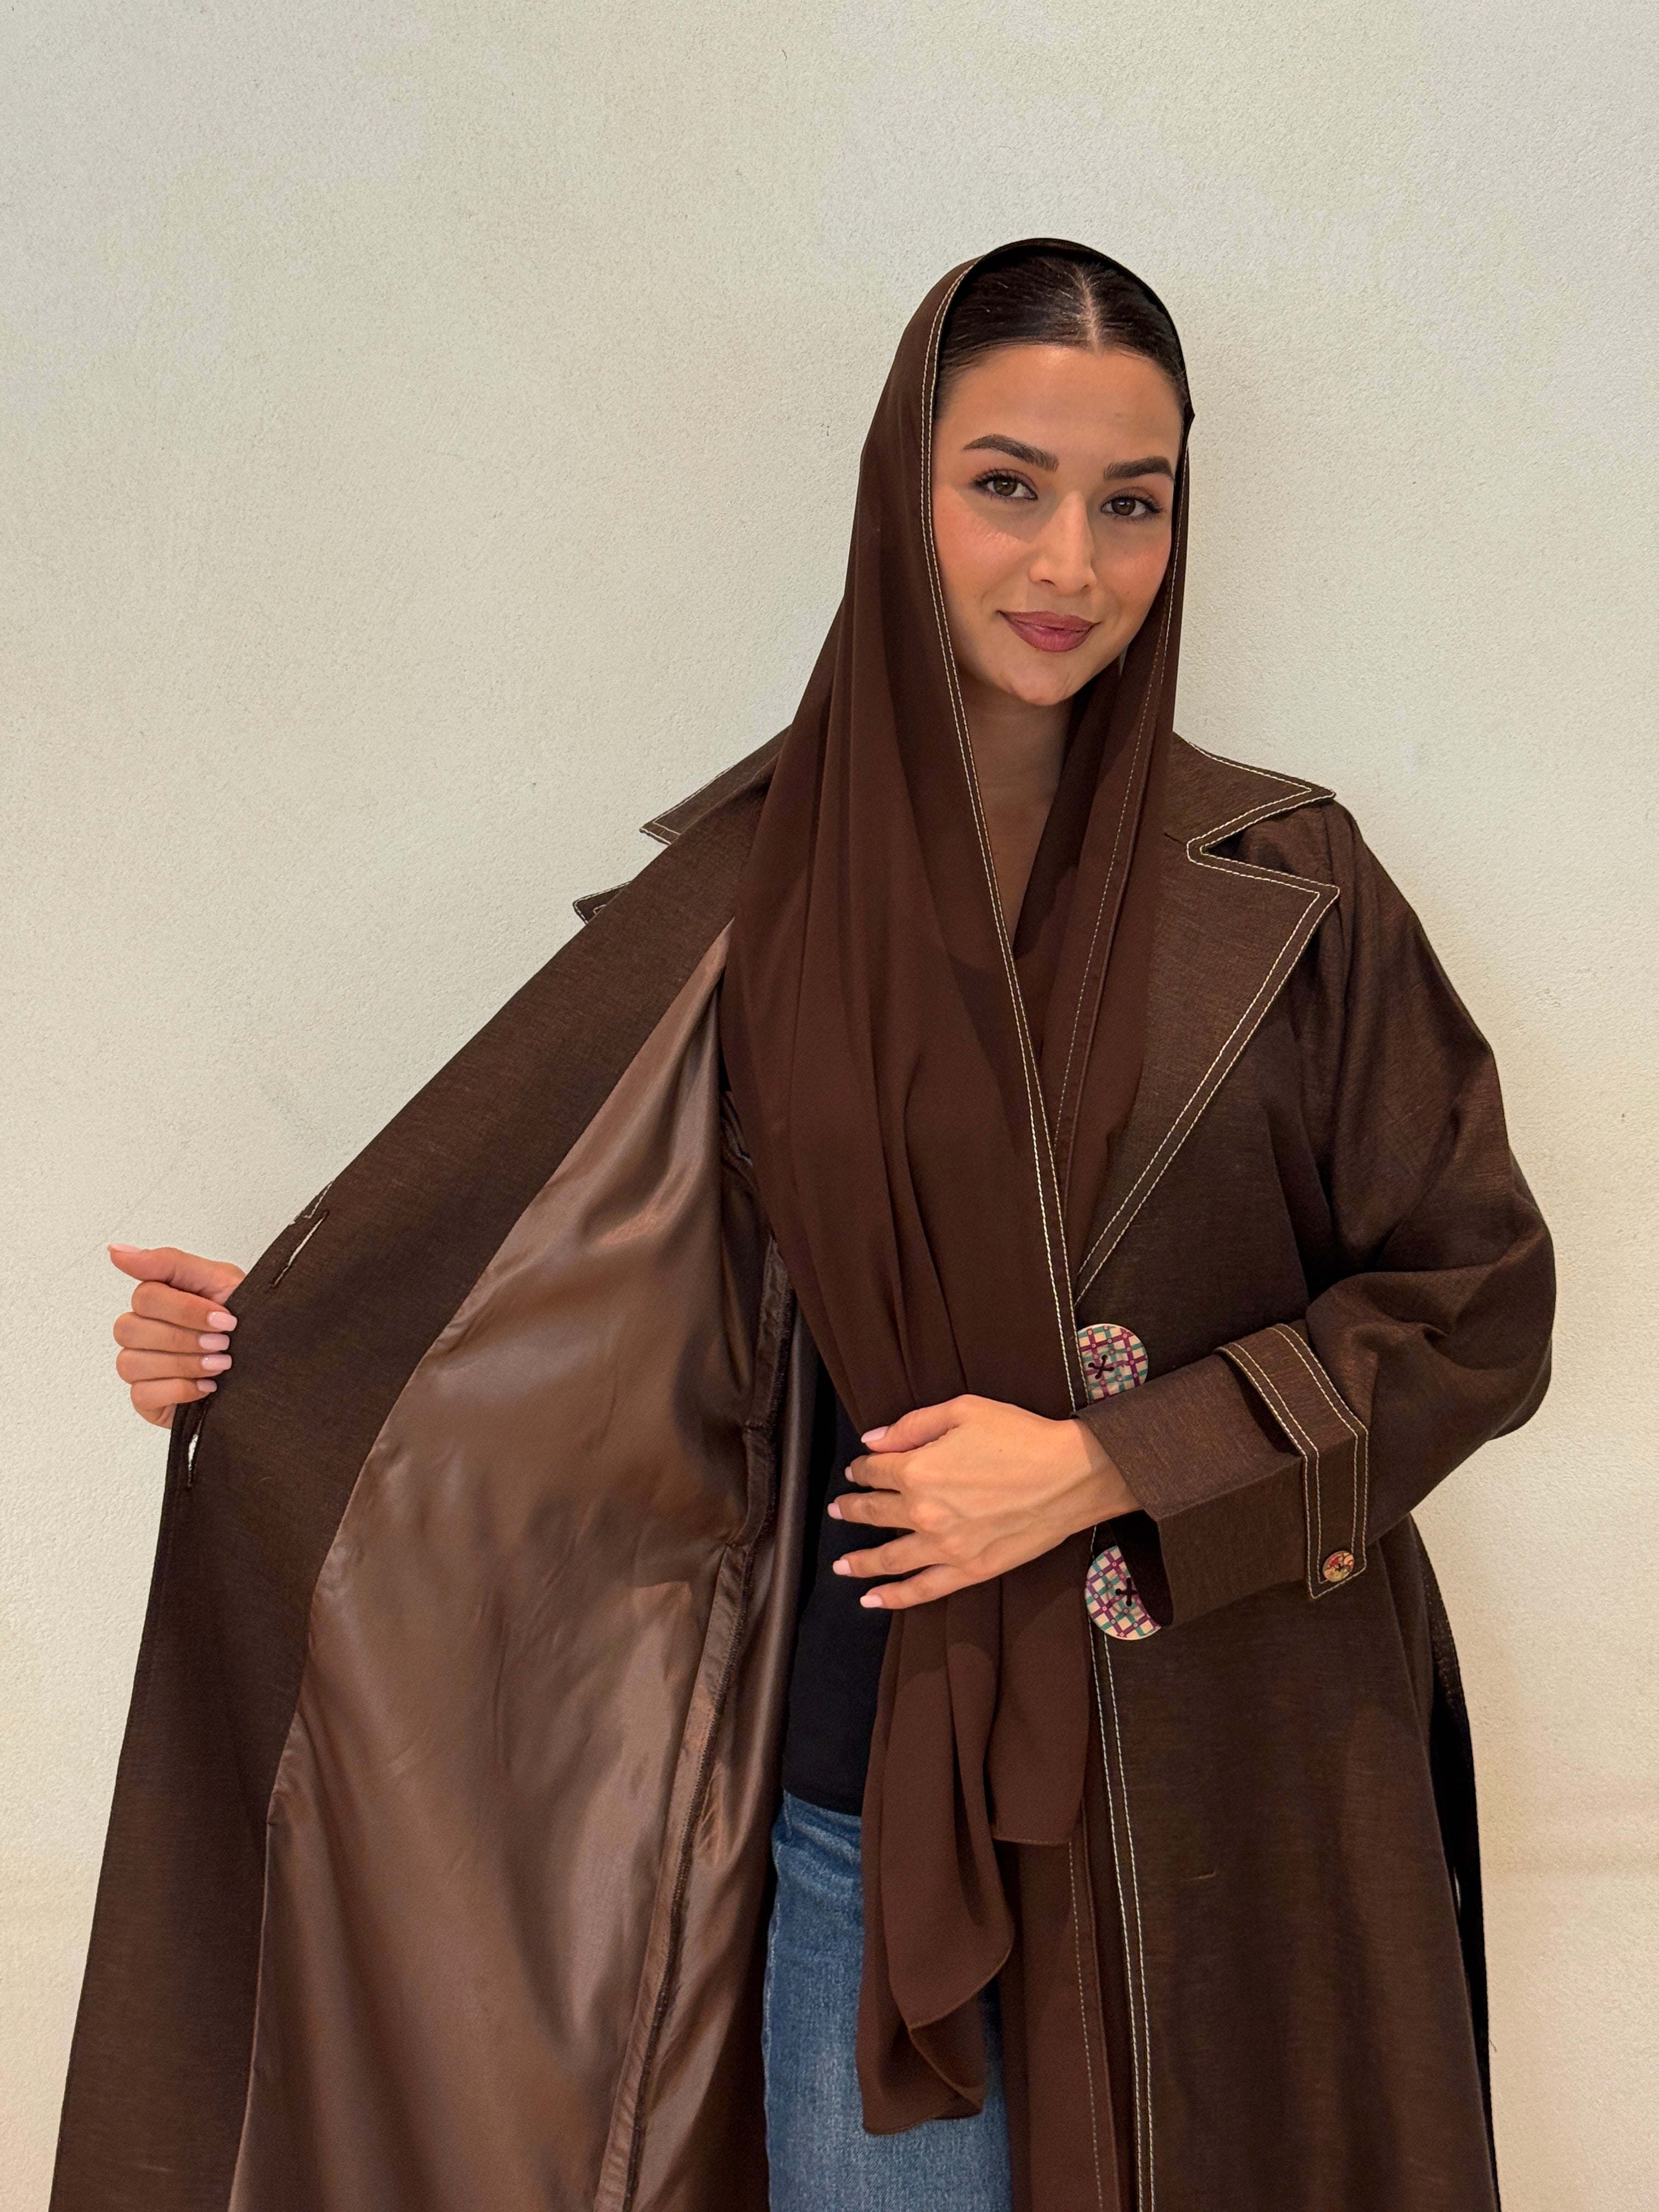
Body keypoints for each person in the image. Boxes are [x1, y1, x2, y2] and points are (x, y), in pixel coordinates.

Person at [60, 240, 1553, 2212]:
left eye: (1132, 503)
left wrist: (1110, 1464)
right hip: (860, 1808)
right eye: (1007, 484)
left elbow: (1475, 1299)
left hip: (1233, 1807)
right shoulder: (740, 906)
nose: (1071, 562)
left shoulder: (1290, 884)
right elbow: (596, 1310)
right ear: (898, 489)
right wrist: (273, 1350)